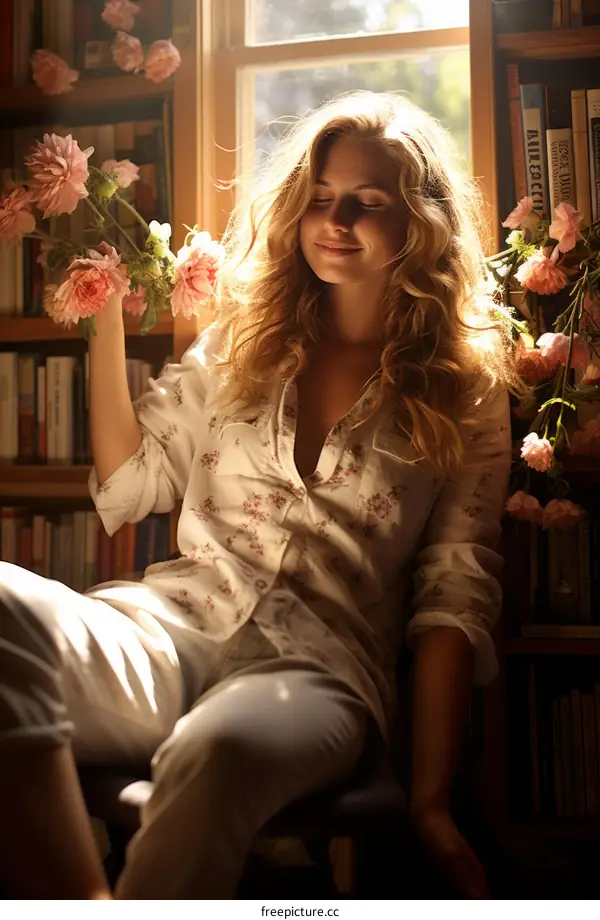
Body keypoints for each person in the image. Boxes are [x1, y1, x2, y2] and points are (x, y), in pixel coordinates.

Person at [0, 91, 517, 900]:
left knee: (217, 753)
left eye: (368, 203)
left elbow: (454, 595)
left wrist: (432, 807)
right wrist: (100, 320)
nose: (335, 217)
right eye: (320, 197)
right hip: (171, 631)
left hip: (316, 672)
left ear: (421, 223)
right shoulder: (242, 341)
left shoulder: (467, 391)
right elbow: (134, 484)